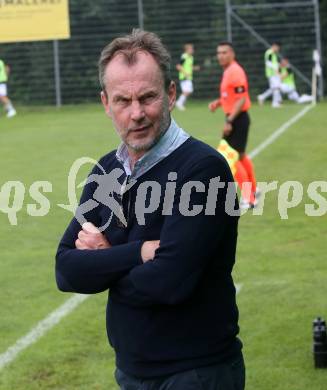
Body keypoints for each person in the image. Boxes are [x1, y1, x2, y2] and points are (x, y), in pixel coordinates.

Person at [56, 30, 245, 390]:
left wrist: (105, 260)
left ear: (171, 94)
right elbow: (66, 270)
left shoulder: (202, 169)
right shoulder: (107, 170)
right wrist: (139, 252)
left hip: (196, 372)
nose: (136, 113)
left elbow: (169, 282)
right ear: (105, 103)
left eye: (148, 97)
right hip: (131, 371)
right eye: (122, 100)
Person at [209, 41, 258, 209]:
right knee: (241, 156)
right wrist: (219, 102)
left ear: (232, 54)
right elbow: (231, 96)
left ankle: (249, 199)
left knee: (230, 158)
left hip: (237, 119)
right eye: (219, 53)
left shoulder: (235, 72)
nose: (221, 56)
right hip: (237, 117)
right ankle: (253, 190)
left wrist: (229, 121)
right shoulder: (229, 71)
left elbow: (241, 99)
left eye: (224, 52)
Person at [175, 43, 199, 111]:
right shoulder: (184, 57)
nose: (192, 50)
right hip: (184, 77)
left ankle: (181, 103)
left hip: (189, 77)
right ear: (187, 50)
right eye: (191, 49)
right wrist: (185, 73)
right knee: (187, 91)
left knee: (189, 90)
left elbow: (189, 67)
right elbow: (178, 66)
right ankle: (179, 103)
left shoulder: (191, 57)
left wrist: (195, 68)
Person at [257, 43, 282, 108]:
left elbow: (274, 63)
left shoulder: (273, 54)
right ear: (274, 46)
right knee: (276, 87)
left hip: (273, 73)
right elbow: (268, 63)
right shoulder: (270, 53)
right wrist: (275, 69)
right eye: (277, 47)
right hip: (272, 73)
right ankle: (275, 103)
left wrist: (278, 65)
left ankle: (262, 97)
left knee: (273, 88)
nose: (278, 49)